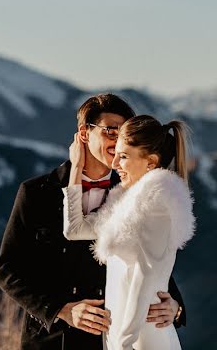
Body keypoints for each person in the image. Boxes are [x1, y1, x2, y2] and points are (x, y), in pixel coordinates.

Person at [0, 94, 186, 349]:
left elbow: (150, 260)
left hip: (109, 340)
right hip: (52, 341)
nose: (118, 141)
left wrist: (174, 306)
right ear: (84, 133)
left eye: (124, 134)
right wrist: (60, 310)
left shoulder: (133, 193)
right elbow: (9, 269)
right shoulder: (37, 192)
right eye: (110, 131)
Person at [63, 115, 195, 350]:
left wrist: (126, 339)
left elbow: (144, 278)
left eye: (123, 157)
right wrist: (76, 166)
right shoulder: (123, 201)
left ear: (151, 162)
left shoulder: (157, 203)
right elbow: (74, 230)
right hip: (120, 332)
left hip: (143, 337)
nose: (114, 164)